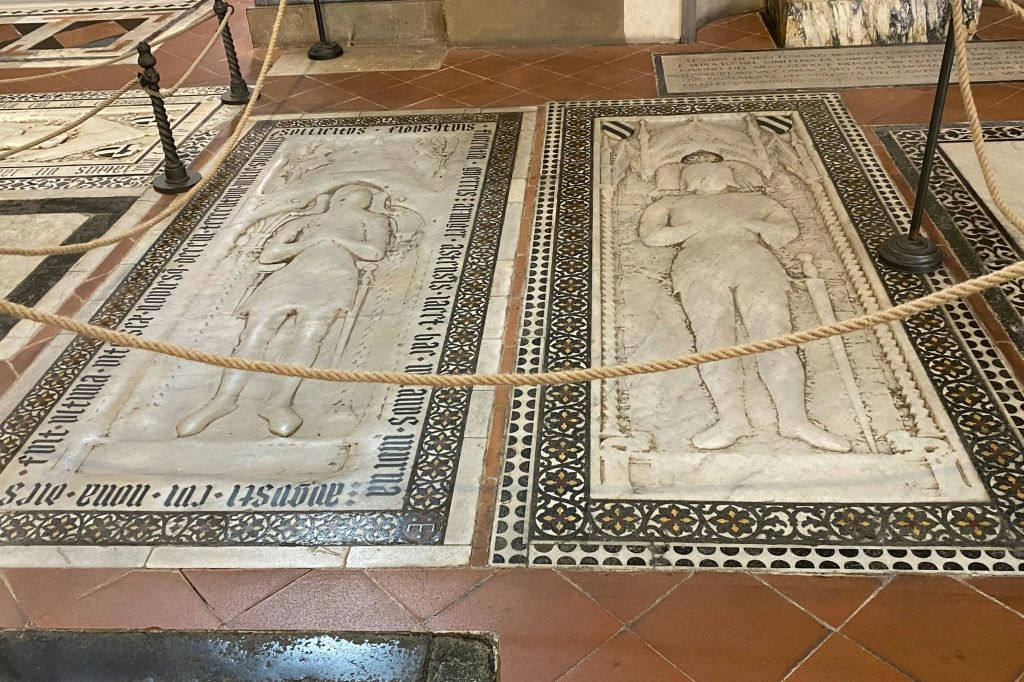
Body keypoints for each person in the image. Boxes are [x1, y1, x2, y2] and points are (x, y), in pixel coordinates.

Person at [638, 152, 850, 452]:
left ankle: (796, 420)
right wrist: (690, 230)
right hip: (698, 264)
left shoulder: (758, 201)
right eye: (697, 171)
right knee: (714, 340)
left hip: (755, 262)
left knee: (776, 337)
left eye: (712, 169)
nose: (704, 175)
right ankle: (731, 419)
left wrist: (752, 223)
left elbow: (787, 230)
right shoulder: (669, 204)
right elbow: (651, 236)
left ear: (726, 171)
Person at [176, 184, 390, 438]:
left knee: (308, 338)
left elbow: (375, 251)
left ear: (365, 203)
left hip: (334, 279)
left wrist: (336, 240)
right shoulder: (307, 222)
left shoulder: (373, 220)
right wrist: (309, 242)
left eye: (354, 198)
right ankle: (223, 400)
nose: (344, 201)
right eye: (342, 197)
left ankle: (279, 402)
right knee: (253, 337)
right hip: (289, 276)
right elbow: (270, 254)